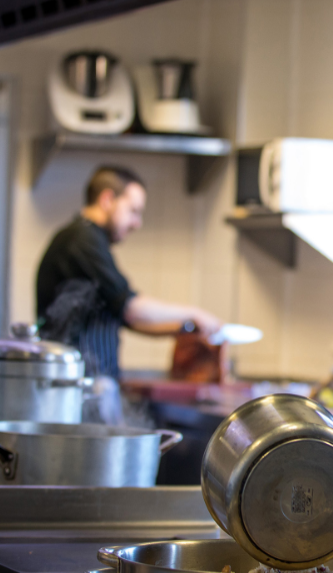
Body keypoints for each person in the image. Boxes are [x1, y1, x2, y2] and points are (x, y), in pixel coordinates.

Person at [36, 166, 223, 422]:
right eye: (133, 211)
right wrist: (196, 313)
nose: (137, 223)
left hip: (91, 388)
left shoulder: (87, 241)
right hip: (81, 390)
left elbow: (127, 318)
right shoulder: (82, 239)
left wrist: (188, 328)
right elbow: (132, 308)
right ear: (107, 199)